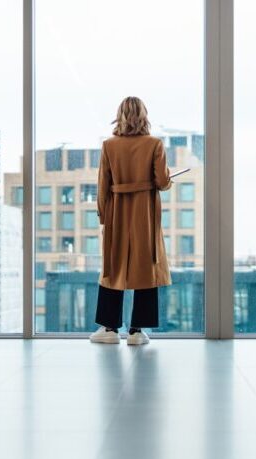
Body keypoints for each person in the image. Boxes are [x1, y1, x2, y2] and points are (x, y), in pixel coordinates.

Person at [89, 96, 173, 345]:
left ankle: (109, 329)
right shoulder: (155, 144)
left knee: (112, 267)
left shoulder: (109, 146)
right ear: (144, 116)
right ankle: (136, 331)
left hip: (116, 211)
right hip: (144, 213)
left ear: (120, 115)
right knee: (146, 265)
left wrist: (103, 217)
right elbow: (163, 182)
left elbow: (102, 185)